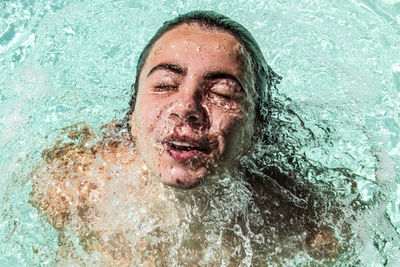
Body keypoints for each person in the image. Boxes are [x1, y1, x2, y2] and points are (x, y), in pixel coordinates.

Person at [32, 10, 340, 265]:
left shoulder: (307, 228)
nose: (186, 109)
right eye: (165, 85)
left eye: (221, 93)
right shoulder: (71, 189)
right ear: (132, 113)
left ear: (256, 129)